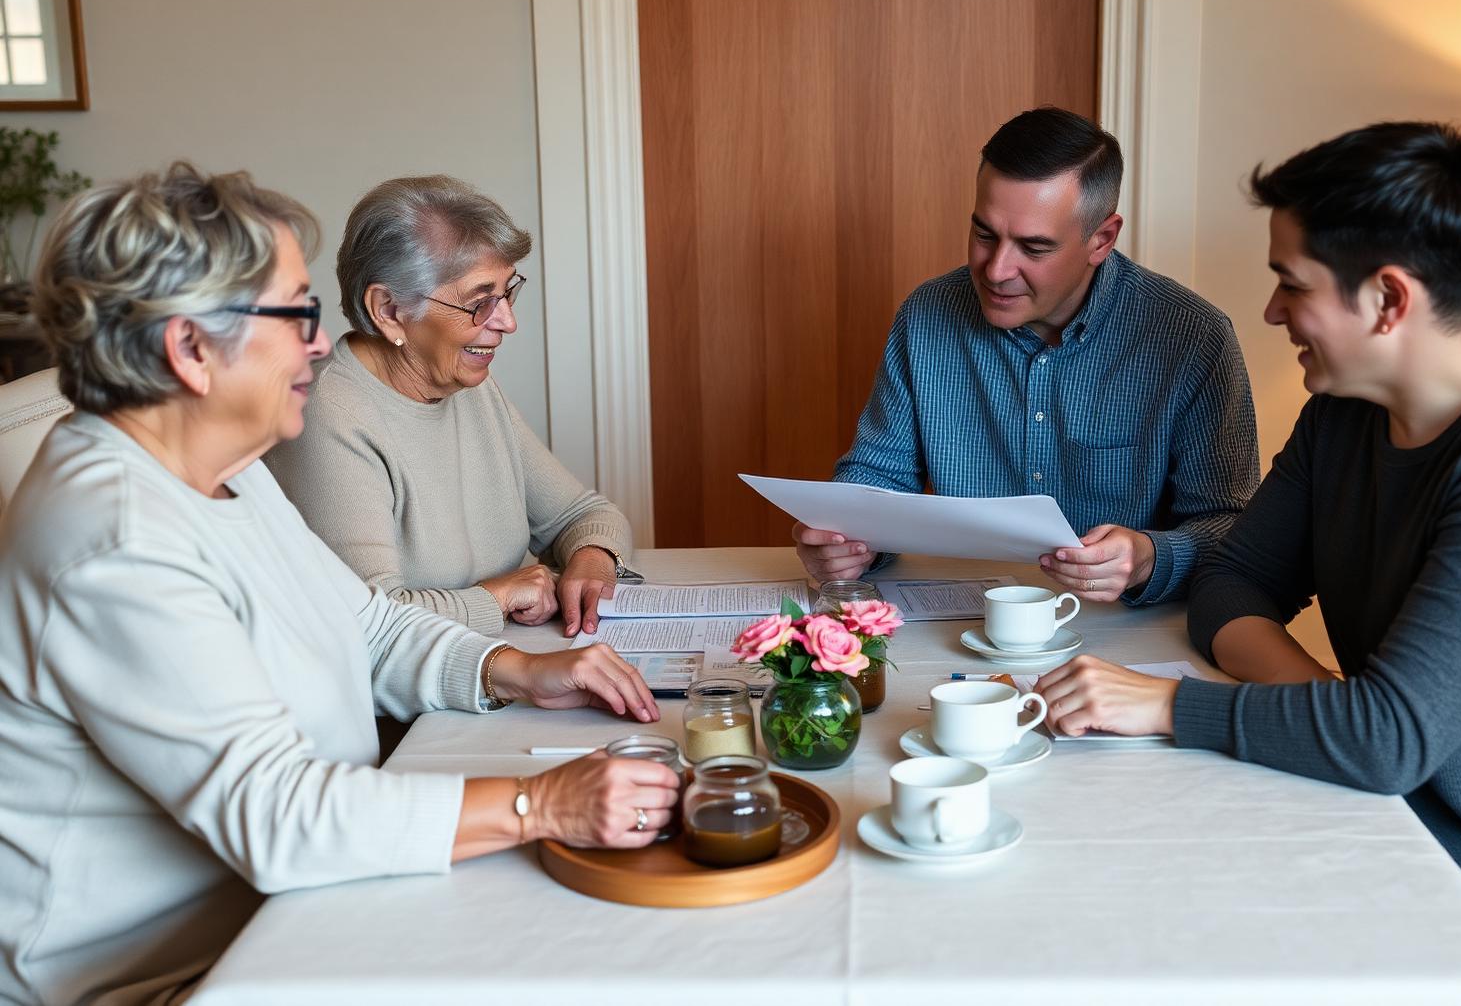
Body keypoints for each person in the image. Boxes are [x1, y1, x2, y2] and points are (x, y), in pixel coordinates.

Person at [0, 163, 674, 1005]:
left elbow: (368, 623)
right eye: (295, 316)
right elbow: (276, 816)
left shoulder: (224, 470)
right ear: (190, 350)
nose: (321, 343)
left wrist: (521, 669)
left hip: (298, 911)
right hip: (175, 973)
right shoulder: (115, 541)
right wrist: (540, 806)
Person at [1037, 122, 1461, 1002]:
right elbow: (1231, 584)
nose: (1269, 311)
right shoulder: (1349, 407)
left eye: (1289, 285)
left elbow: (1388, 741)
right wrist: (1332, 708)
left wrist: (1170, 705)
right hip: (1383, 816)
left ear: (1387, 300)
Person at [793, 107, 1258, 605]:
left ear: (1101, 238)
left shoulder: (1192, 337)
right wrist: (846, 541)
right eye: (984, 234)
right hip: (960, 621)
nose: (996, 270)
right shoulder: (926, 316)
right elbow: (877, 475)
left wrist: (1148, 556)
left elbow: (1231, 527)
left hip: (1130, 636)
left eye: (1034, 248)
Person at [266, 175, 630, 639]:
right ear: (389, 310)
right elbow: (369, 622)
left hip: (498, 666)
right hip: (406, 710)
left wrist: (593, 560)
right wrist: (496, 598)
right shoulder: (328, 415)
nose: (508, 322)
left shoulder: (468, 385)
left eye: (507, 292)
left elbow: (582, 514)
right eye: (480, 301)